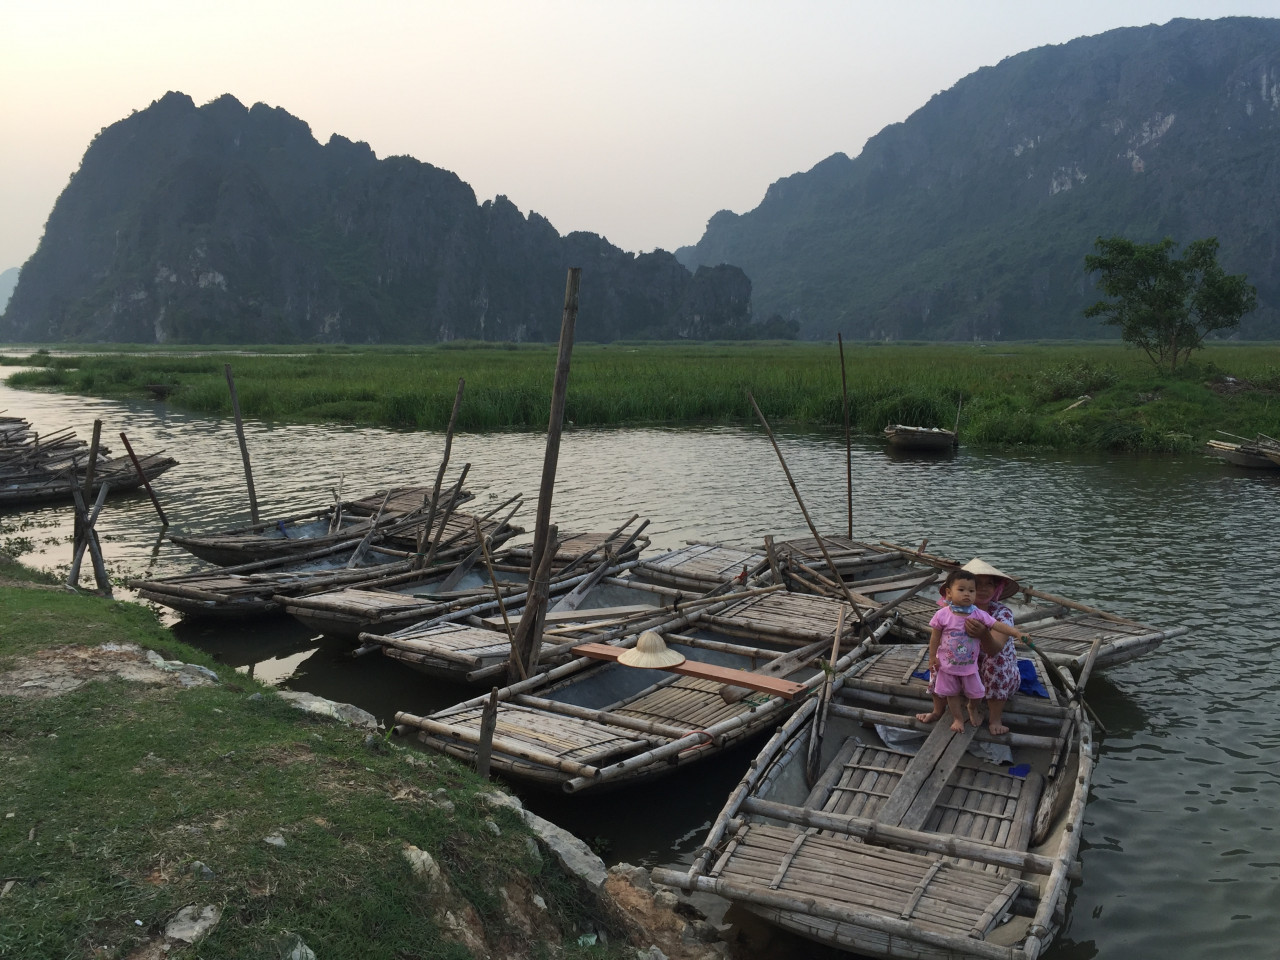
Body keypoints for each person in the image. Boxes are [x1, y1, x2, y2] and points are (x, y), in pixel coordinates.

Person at [918, 568, 1024, 733]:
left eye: (988, 584)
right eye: (977, 584)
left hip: (992, 671)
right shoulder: (948, 611)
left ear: (996, 588)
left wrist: (983, 634)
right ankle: (937, 711)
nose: (982, 589)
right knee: (940, 657)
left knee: (996, 659)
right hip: (960, 664)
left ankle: (995, 719)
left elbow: (995, 649)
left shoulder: (1000, 613)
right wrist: (933, 657)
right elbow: (936, 637)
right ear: (951, 592)